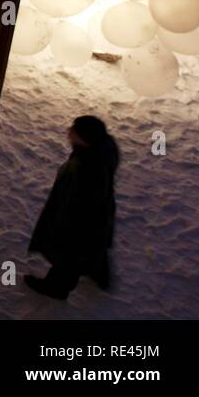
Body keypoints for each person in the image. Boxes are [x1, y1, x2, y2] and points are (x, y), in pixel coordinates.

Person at [27, 115, 119, 300]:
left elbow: (81, 207)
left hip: (79, 222)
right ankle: (98, 273)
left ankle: (56, 288)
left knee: (70, 255)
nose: (69, 132)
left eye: (74, 131)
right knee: (92, 248)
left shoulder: (87, 168)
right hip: (97, 218)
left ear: (84, 139)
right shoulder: (101, 148)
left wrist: (61, 224)